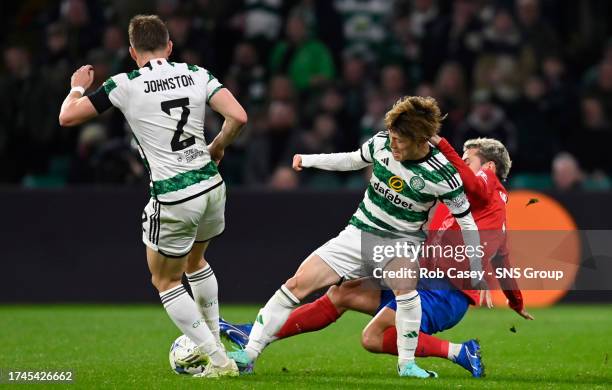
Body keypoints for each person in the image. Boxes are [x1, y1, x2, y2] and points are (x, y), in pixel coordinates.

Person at [221, 136, 533, 378]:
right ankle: (256, 336)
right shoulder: (492, 215)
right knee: (343, 293)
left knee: (372, 337)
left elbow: (468, 182)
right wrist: (516, 303)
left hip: (445, 292)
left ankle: (459, 352)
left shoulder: (488, 185)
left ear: (489, 168)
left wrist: (441, 143)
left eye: (467, 161)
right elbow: (503, 265)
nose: (459, 165)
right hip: (424, 278)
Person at [57, 15, 247, 378]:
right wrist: (219, 146)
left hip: (174, 195)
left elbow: (67, 117)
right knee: (196, 263)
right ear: (170, 46)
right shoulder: (196, 72)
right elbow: (238, 115)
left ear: (132, 52)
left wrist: (77, 87)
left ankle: (220, 363)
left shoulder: (124, 83)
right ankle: (219, 347)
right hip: (211, 184)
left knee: (165, 281)